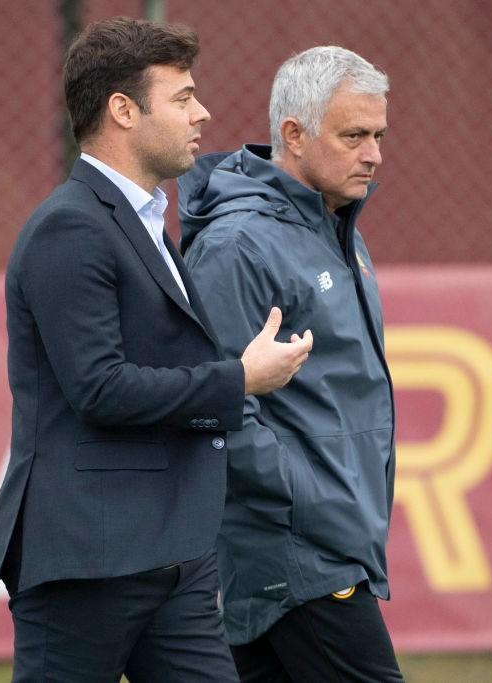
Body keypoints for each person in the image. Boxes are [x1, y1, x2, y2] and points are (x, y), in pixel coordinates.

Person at [0, 18, 312, 682]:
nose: (204, 112)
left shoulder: (146, 220)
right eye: (184, 97)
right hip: (87, 555)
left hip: (173, 554)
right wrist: (237, 380)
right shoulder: (68, 228)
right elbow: (99, 388)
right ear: (124, 111)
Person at [179, 46, 402, 682]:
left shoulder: (333, 226)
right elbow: (215, 405)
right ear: (294, 135)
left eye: (378, 135)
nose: (374, 154)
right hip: (298, 555)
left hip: (321, 545)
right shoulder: (237, 244)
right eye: (354, 135)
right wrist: (315, 504)